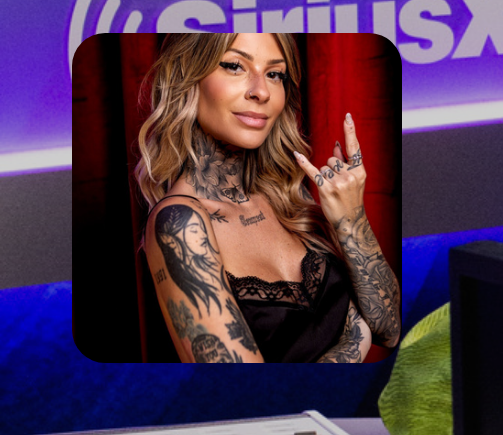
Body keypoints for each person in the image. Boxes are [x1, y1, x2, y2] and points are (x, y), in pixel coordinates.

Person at [136, 32, 401, 363]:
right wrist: (353, 342)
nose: (261, 91)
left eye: (275, 74)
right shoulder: (179, 223)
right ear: (188, 78)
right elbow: (249, 388)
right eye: (235, 66)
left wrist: (351, 218)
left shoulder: (287, 197)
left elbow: (389, 329)